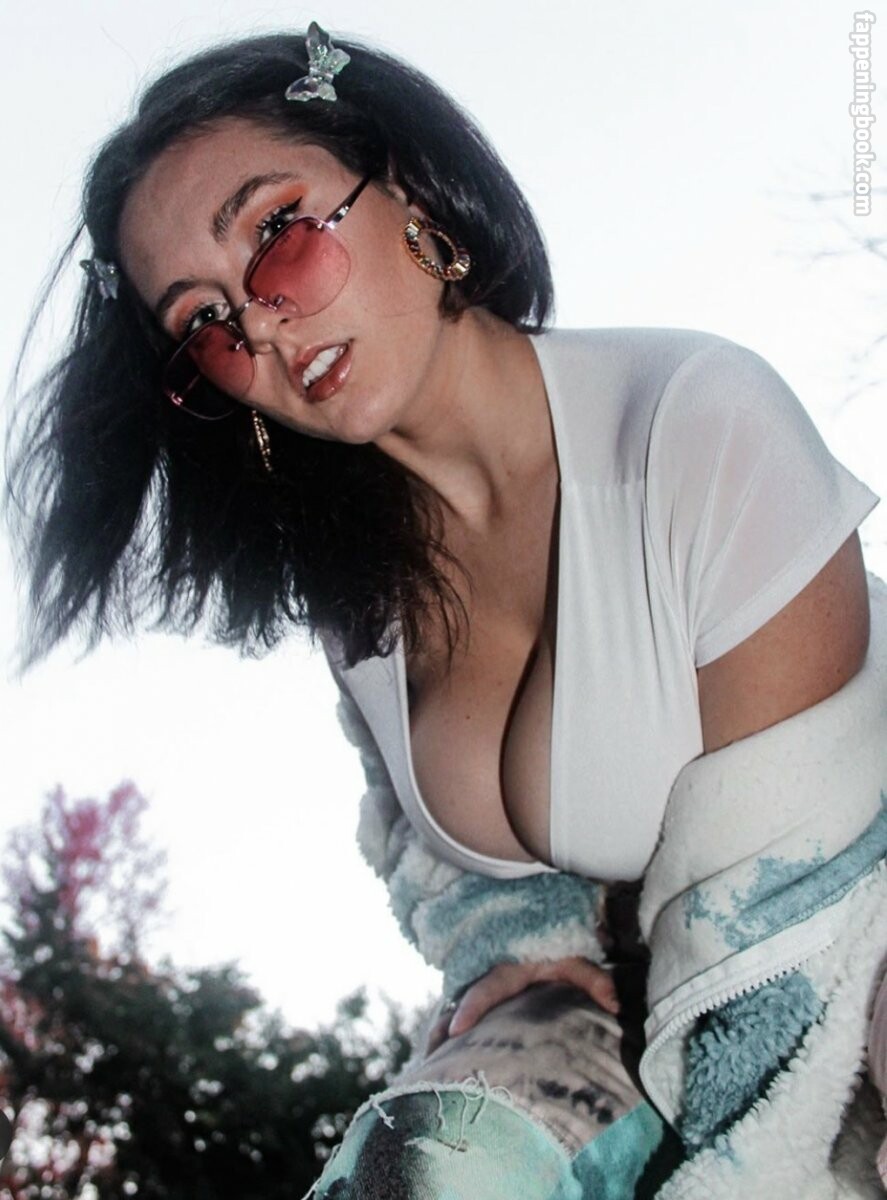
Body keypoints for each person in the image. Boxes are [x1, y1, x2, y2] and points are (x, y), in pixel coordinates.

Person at [7, 21, 885, 1198]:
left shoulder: (698, 428)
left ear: (408, 185)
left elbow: (786, 947)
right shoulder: (359, 607)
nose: (258, 325)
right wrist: (519, 956)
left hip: (841, 940)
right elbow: (452, 867)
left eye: (275, 233)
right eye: (202, 325)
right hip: (647, 1004)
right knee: (430, 1161)